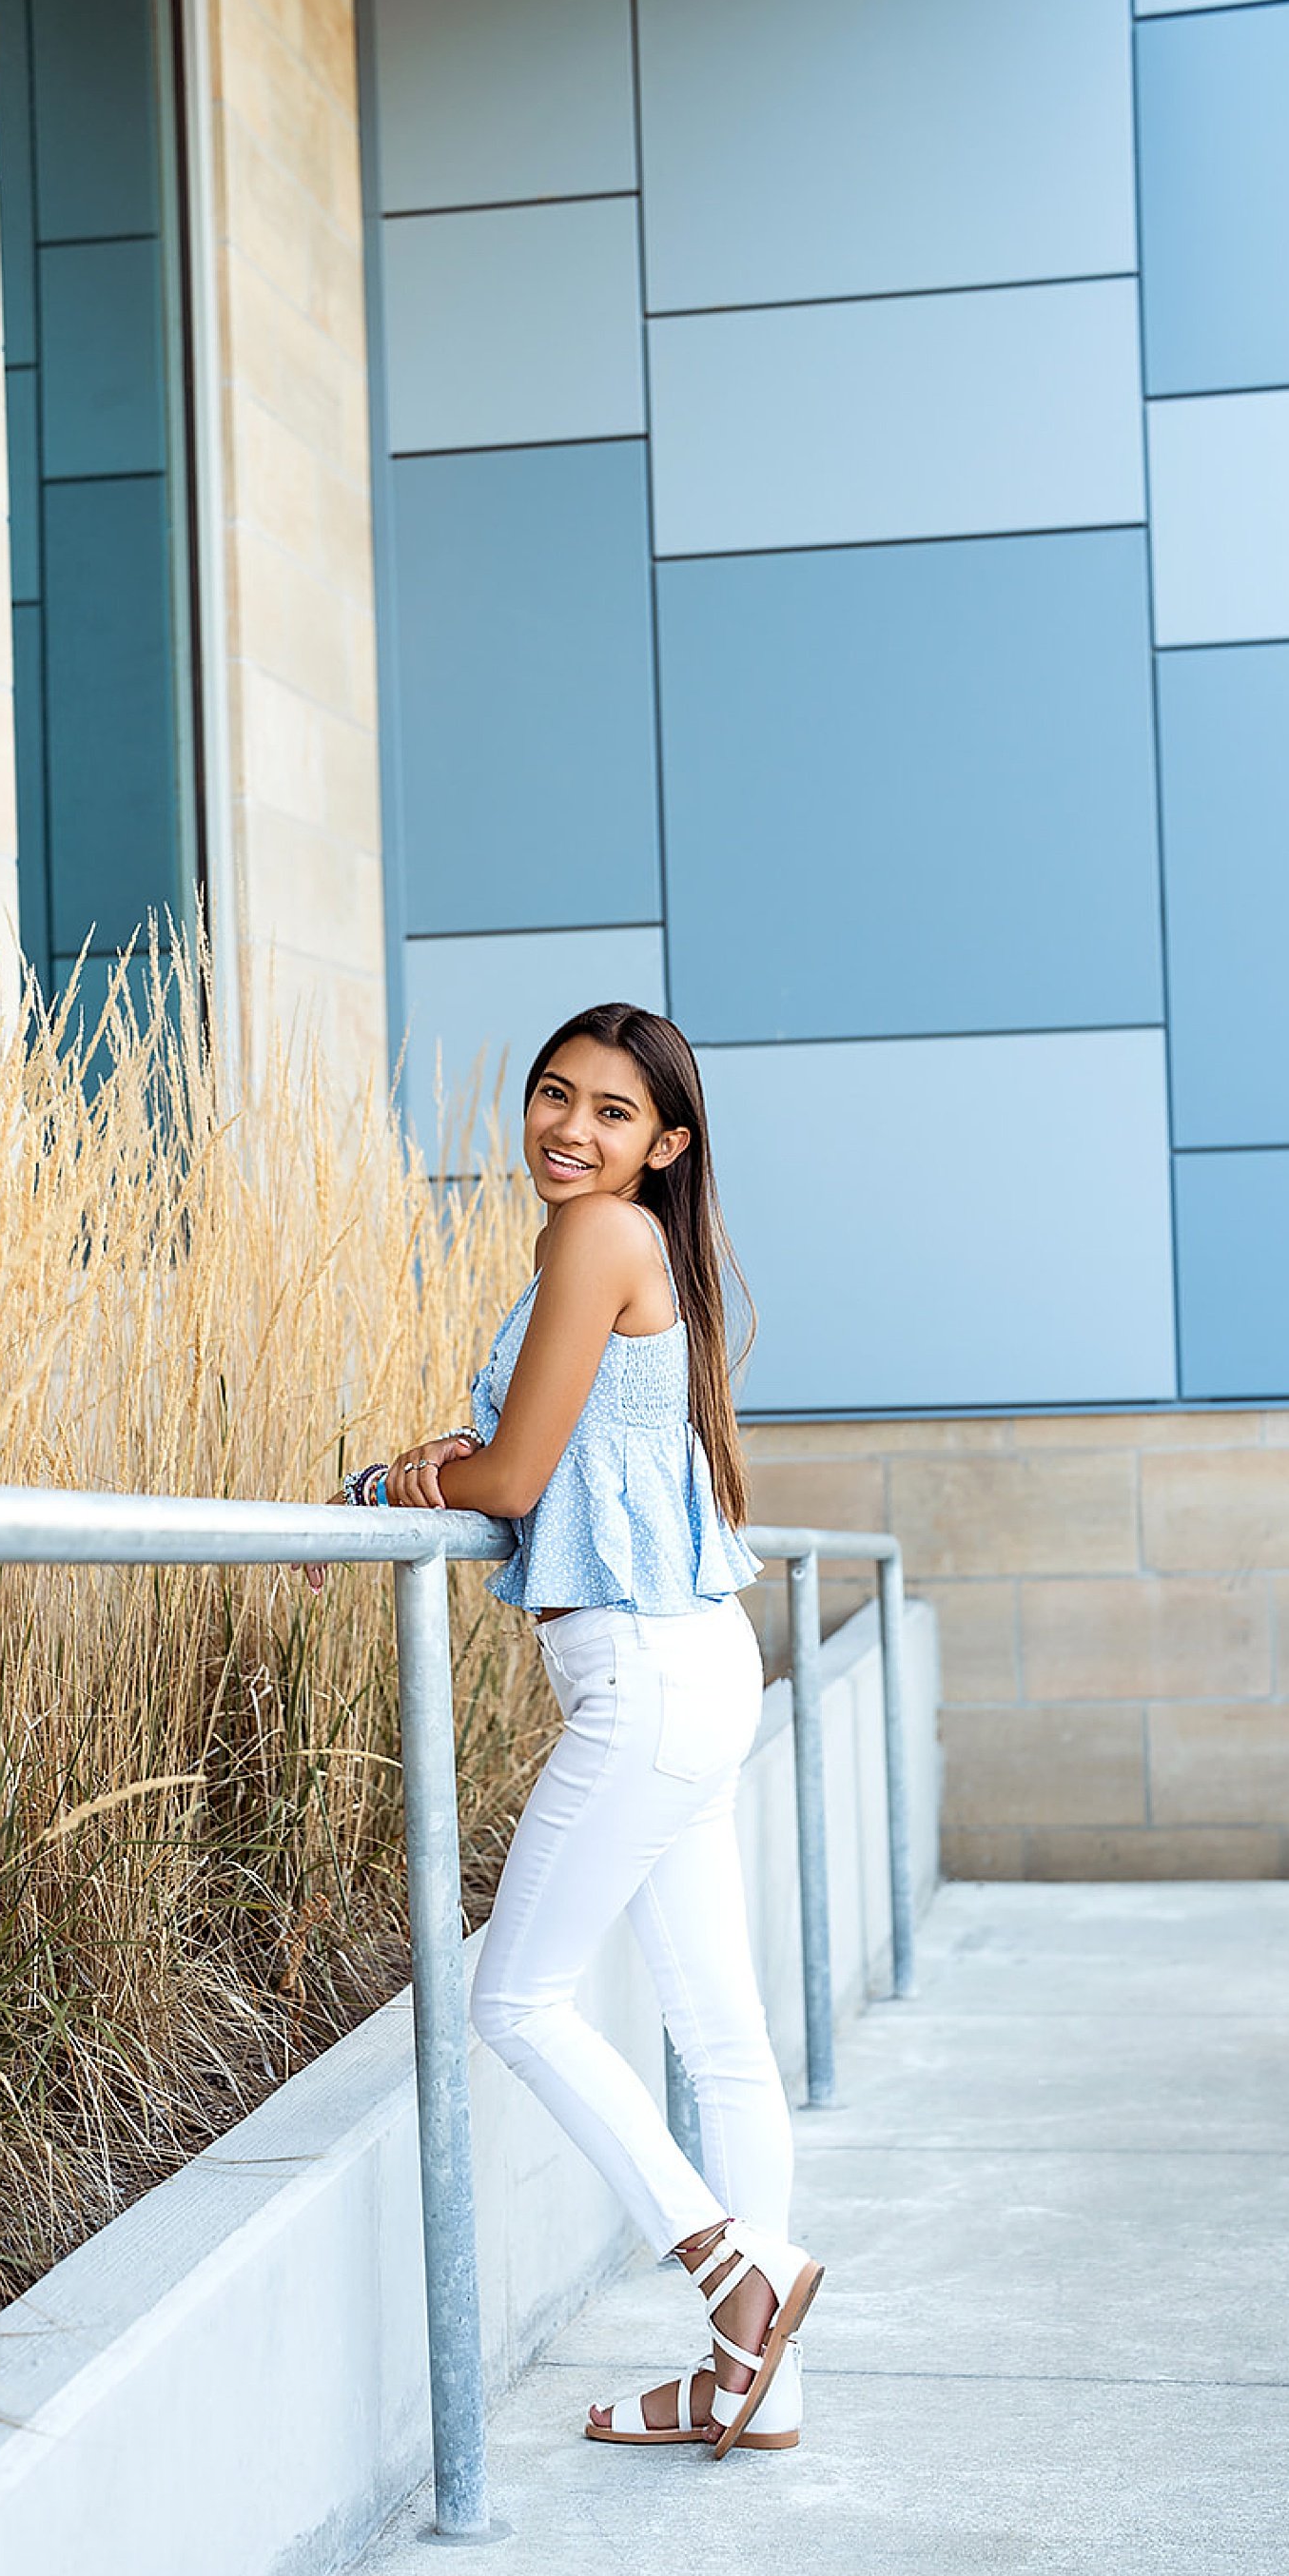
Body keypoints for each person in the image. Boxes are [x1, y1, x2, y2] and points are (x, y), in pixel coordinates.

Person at [342, 1003, 823, 2456]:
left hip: (645, 1683)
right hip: (695, 1665)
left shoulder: (597, 1237)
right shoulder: (638, 1250)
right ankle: (766, 2381)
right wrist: (452, 1457)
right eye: (556, 1094)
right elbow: (528, 1461)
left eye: (614, 1111)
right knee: (721, 2035)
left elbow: (513, 1477)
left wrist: (379, 1486)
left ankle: (734, 2274)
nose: (570, 1126)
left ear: (664, 1144)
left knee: (517, 2000)